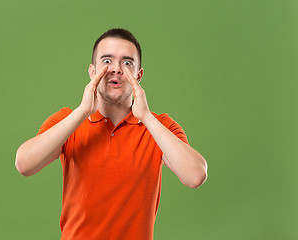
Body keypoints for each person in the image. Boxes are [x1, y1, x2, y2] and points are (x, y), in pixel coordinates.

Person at [15, 28, 208, 240]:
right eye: (107, 61)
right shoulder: (68, 120)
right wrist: (82, 112)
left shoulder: (160, 125)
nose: (116, 69)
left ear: (139, 75)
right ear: (92, 71)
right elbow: (24, 164)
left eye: (127, 63)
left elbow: (195, 176)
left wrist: (145, 117)